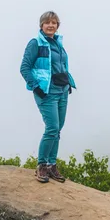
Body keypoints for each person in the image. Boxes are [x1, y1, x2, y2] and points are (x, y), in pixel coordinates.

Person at [19, 11, 77, 184]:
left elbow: (62, 66)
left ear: (57, 25)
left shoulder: (58, 43)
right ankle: (42, 165)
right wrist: (36, 87)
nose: (51, 25)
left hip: (62, 90)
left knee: (57, 130)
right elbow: (24, 68)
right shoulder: (35, 43)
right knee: (52, 128)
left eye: (54, 22)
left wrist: (69, 83)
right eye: (47, 23)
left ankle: (52, 165)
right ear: (41, 25)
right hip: (46, 92)